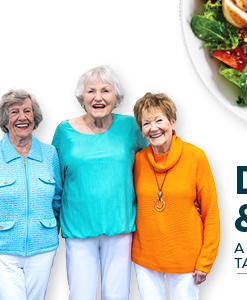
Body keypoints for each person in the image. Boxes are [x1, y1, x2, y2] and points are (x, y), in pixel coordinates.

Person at [52, 65, 147, 300]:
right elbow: (55, 181)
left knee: (117, 295)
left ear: (116, 97)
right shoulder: (64, 131)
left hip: (120, 225)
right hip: (78, 227)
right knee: (80, 294)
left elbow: (151, 165)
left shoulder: (130, 127)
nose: (98, 97)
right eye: (90, 91)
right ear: (81, 98)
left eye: (105, 90)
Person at [132, 92, 220, 300]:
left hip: (185, 259)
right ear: (141, 129)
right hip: (145, 257)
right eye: (146, 123)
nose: (153, 128)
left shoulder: (195, 157)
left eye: (159, 120)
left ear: (172, 122)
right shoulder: (137, 160)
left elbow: (211, 214)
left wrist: (205, 261)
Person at [0, 89, 62, 300]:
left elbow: (58, 198)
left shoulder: (49, 153)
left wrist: (50, 225)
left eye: (27, 111)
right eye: (14, 111)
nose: (22, 117)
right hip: (4, 249)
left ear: (34, 118)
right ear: (5, 120)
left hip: (42, 246)